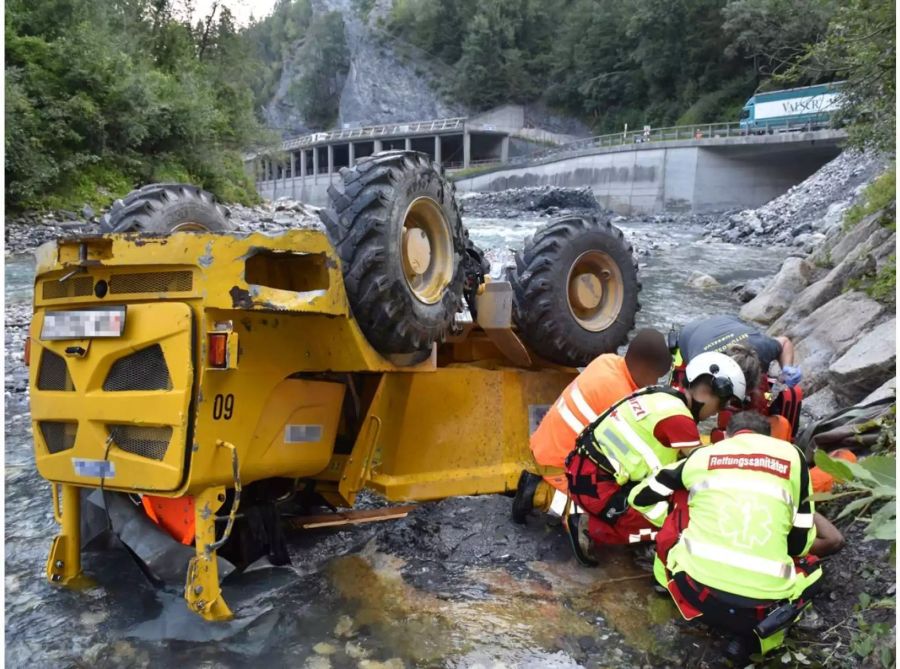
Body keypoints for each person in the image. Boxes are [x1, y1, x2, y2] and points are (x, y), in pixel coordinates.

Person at [627, 411, 826, 660]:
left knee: (680, 505)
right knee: (814, 569)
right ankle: (758, 643)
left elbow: (639, 497)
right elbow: (800, 541)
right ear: (768, 437)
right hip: (759, 611)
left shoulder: (703, 455)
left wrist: (668, 519)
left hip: (693, 595)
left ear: (727, 435)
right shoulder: (792, 456)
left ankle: (662, 586)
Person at [562, 351, 754, 565]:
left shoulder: (661, 395)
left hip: (584, 472)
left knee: (671, 486)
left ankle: (618, 521)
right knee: (681, 520)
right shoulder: (680, 420)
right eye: (721, 404)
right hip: (597, 487)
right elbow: (706, 470)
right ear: (713, 391)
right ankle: (592, 528)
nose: (715, 414)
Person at [511, 329, 673, 524]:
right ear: (644, 368)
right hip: (557, 466)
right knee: (606, 516)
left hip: (544, 448)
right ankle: (539, 494)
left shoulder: (607, 361)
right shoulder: (620, 398)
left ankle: (542, 484)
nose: (655, 383)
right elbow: (635, 458)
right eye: (655, 377)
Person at [671, 315, 802, 439]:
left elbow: (785, 343)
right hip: (693, 335)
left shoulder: (762, 348)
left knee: (757, 405)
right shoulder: (698, 364)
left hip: (730, 325)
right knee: (687, 408)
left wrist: (787, 368)